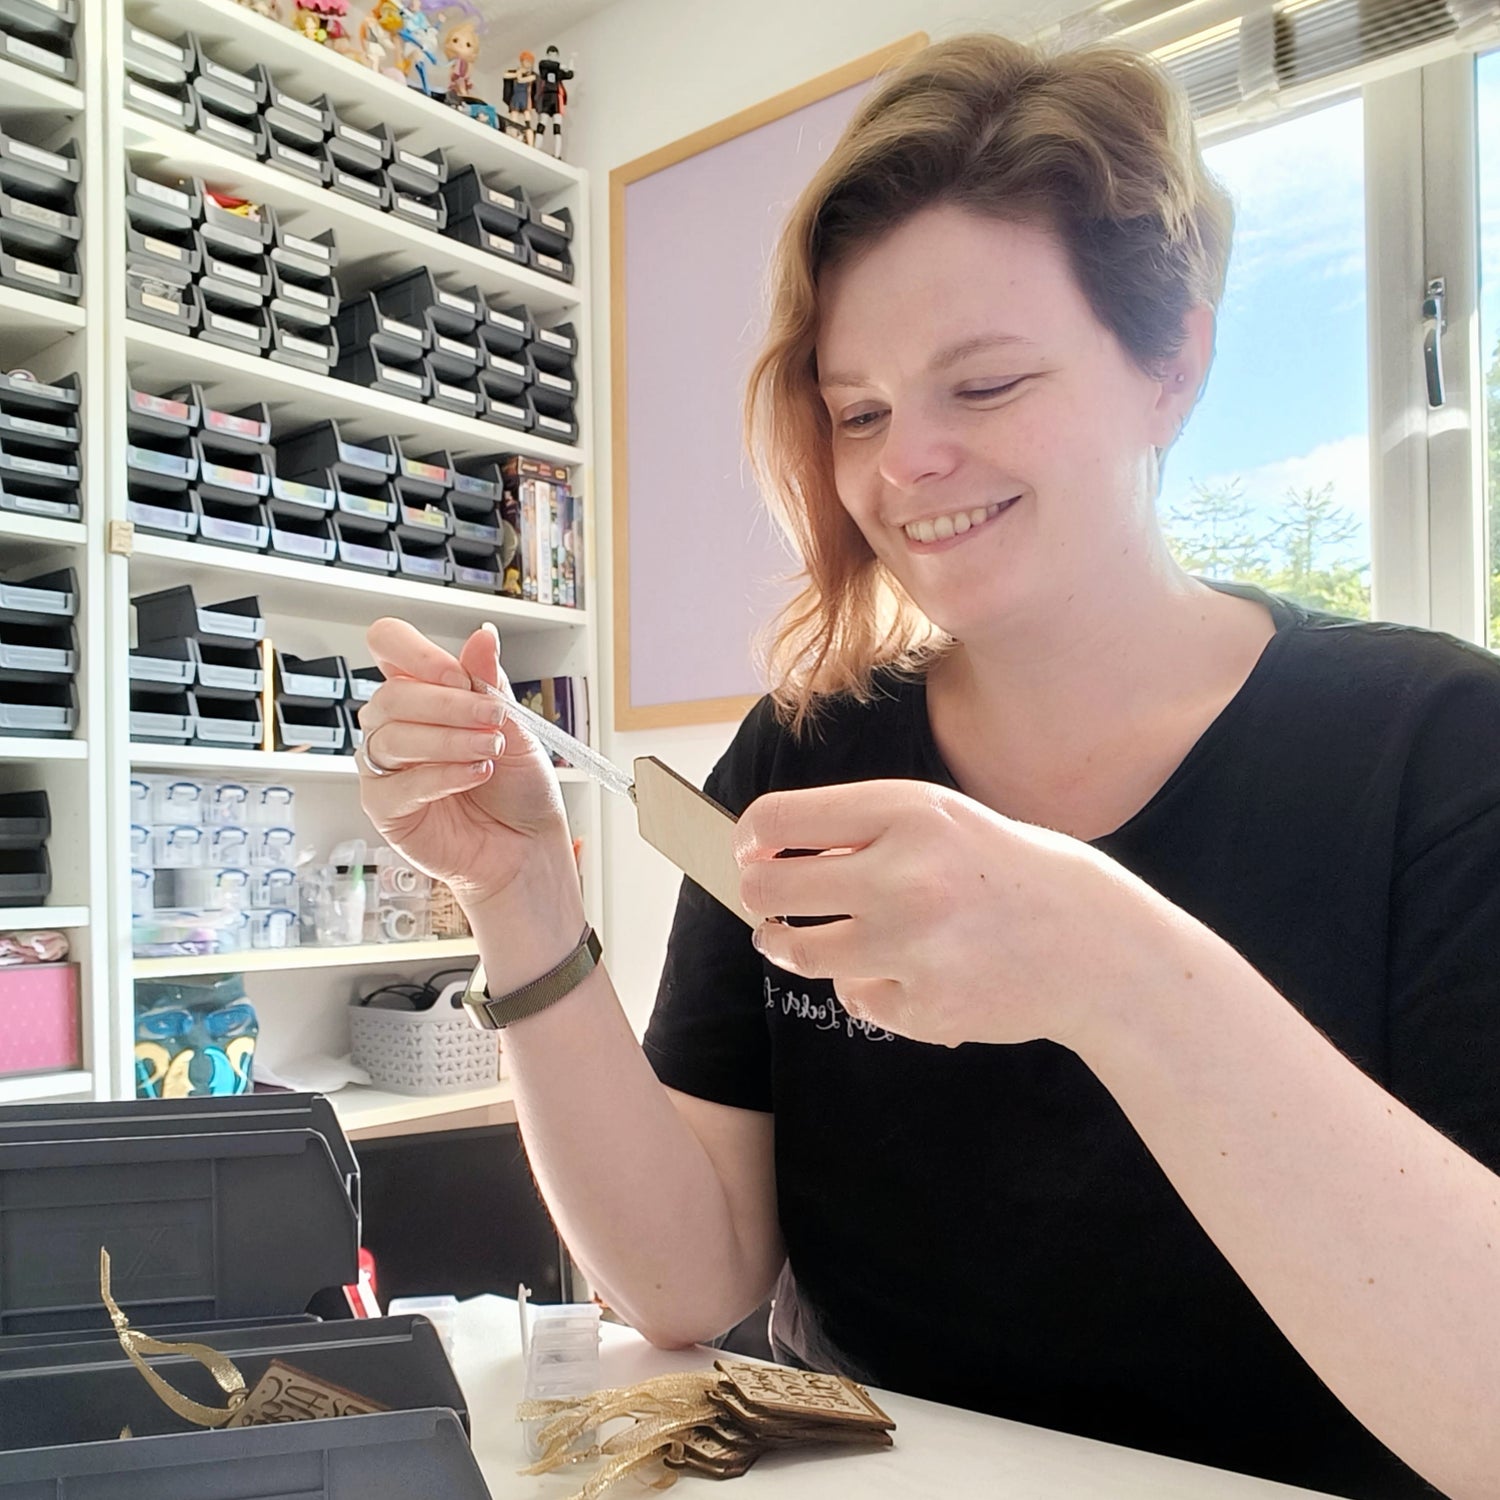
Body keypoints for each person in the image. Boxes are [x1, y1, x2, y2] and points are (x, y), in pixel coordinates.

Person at [356, 33, 1500, 1500]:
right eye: (862, 413)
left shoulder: (1436, 755)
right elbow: (686, 1286)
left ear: (1175, 367)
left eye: (988, 384)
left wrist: (1104, 961)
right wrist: (518, 893)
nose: (907, 469)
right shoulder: (805, 754)